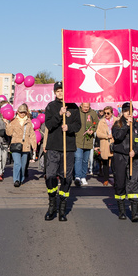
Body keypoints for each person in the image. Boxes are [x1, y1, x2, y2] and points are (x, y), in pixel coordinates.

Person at [43, 81, 81, 221]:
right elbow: (49, 124)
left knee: (66, 177)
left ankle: (62, 209)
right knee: (51, 175)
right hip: (54, 147)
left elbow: (78, 125)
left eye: (62, 90)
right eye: (58, 90)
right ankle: (52, 205)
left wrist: (68, 128)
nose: (60, 93)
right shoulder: (51, 106)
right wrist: (60, 114)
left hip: (68, 148)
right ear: (54, 92)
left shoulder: (74, 107)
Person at [111, 102, 138, 222]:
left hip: (133, 158)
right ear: (122, 112)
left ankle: (135, 212)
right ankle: (122, 211)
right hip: (120, 157)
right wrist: (127, 126)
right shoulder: (118, 124)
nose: (128, 113)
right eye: (126, 111)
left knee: (133, 183)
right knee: (120, 183)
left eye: (130, 111)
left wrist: (135, 151)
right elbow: (118, 137)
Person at [6, 104, 36, 187]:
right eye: (21, 112)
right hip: (16, 145)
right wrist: (7, 124)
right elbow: (8, 133)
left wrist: (33, 145)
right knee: (17, 163)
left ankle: (21, 178)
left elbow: (32, 134)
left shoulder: (29, 122)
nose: (22, 114)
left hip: (25, 146)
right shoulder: (13, 121)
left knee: (23, 166)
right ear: (18, 112)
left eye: (24, 112)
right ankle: (16, 180)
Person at [74, 102, 98, 187]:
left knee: (85, 160)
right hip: (78, 140)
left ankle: (83, 176)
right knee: (78, 158)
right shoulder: (77, 112)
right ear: (81, 106)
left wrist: (93, 130)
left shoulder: (93, 113)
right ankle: (77, 176)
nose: (86, 108)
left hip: (88, 140)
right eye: (84, 107)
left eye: (87, 107)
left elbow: (96, 124)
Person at [95, 106, 115, 186]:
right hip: (105, 143)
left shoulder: (116, 120)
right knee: (105, 163)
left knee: (115, 163)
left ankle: (116, 179)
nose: (106, 115)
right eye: (105, 113)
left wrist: (113, 135)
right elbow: (98, 133)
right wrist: (106, 136)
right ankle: (106, 179)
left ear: (112, 113)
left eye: (108, 113)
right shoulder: (101, 121)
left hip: (114, 143)